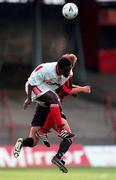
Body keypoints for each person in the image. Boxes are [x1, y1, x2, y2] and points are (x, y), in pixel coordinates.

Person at [13, 53, 91, 173]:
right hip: (51, 109)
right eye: (71, 66)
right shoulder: (51, 72)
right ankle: (57, 157)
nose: (71, 70)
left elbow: (68, 87)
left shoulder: (64, 75)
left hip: (42, 107)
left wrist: (76, 88)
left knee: (33, 141)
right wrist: (82, 89)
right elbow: (66, 90)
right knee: (68, 136)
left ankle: (22, 142)